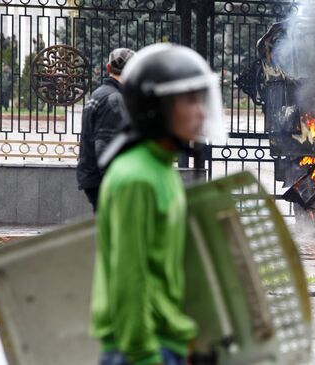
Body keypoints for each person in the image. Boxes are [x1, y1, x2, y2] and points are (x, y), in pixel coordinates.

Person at [90, 43, 225, 365]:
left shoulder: (160, 167)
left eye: (201, 99)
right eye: (189, 100)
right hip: (141, 350)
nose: (201, 112)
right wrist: (144, 355)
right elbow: (130, 278)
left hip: (166, 342)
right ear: (155, 107)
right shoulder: (136, 176)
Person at [77, 48, 135, 211]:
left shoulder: (98, 94)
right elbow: (106, 147)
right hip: (105, 181)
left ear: (108, 68)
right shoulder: (114, 99)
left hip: (93, 176)